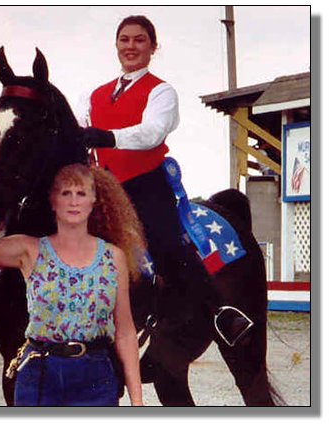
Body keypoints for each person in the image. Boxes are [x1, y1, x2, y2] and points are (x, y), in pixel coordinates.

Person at [77, 15, 252, 347]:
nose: (131, 46)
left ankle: (219, 311)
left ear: (153, 47)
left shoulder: (161, 91)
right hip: (101, 186)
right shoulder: (94, 94)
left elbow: (152, 132)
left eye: (139, 39)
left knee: (167, 243)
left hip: (144, 184)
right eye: (125, 39)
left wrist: (108, 137)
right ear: (116, 45)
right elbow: (79, 129)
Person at [0, 163, 144, 406]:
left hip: (96, 378)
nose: (73, 202)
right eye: (65, 193)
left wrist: (137, 400)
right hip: (39, 376)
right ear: (52, 201)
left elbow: (125, 332)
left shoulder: (114, 257)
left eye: (81, 193)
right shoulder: (30, 250)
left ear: (94, 201)